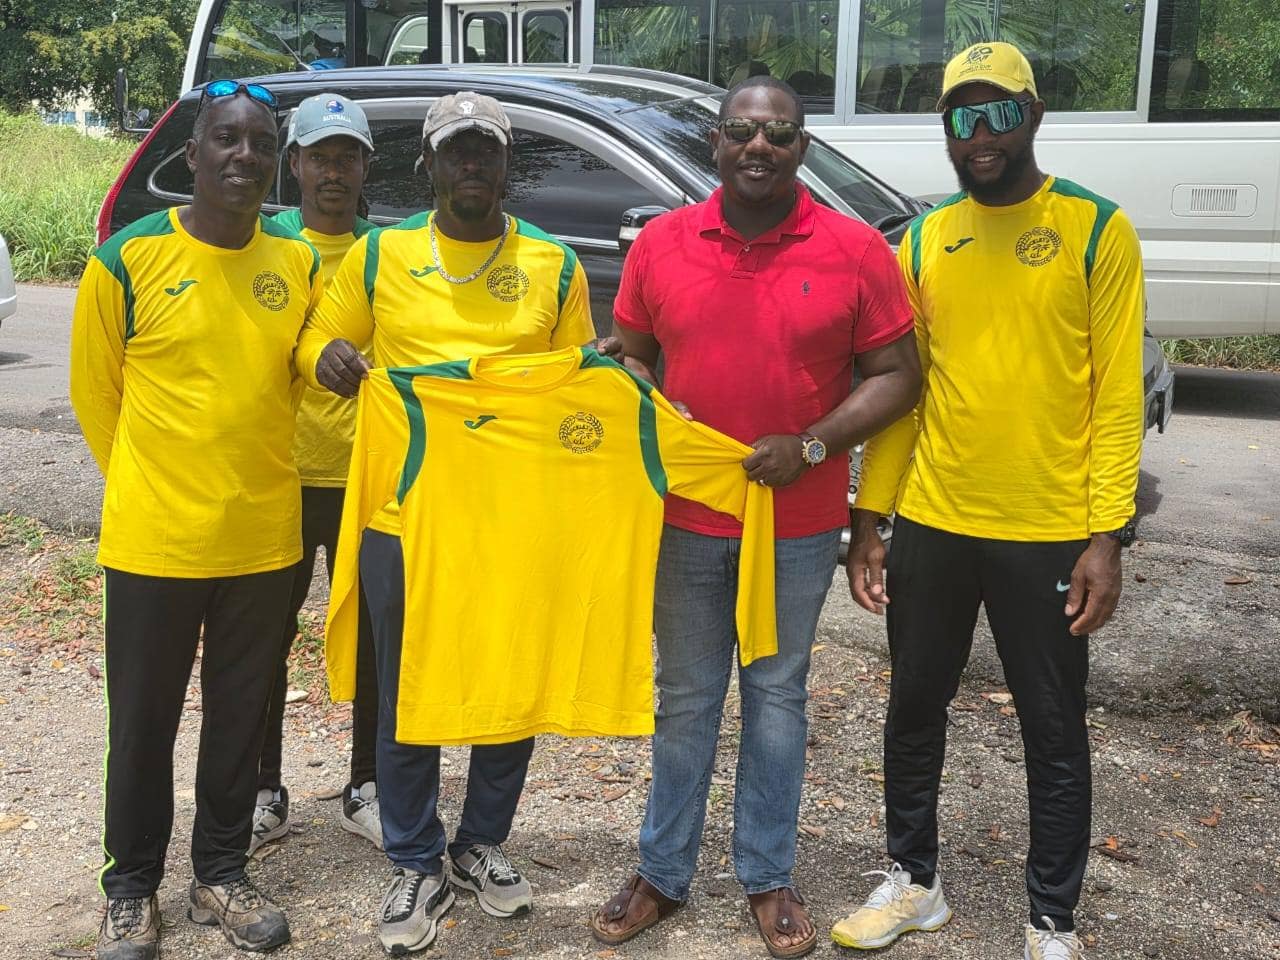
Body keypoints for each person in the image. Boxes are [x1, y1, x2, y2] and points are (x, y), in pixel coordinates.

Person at [591, 75, 922, 960]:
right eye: (741, 131)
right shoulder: (662, 243)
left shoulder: (855, 249)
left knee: (777, 698)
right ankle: (662, 872)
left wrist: (811, 446)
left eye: (778, 133)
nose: (758, 146)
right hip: (686, 516)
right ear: (716, 143)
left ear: (802, 147)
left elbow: (900, 376)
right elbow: (633, 359)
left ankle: (767, 874)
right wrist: (635, 385)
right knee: (686, 697)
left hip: (796, 523)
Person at [831, 42, 1145, 960]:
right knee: (913, 709)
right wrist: (870, 519)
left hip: (1048, 531)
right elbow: (903, 391)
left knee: (1052, 727)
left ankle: (1052, 920)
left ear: (1033, 115)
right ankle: (913, 882)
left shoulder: (1096, 228)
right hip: (934, 520)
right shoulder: (927, 238)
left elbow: (1117, 399)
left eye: (999, 112)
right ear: (946, 129)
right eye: (963, 117)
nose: (982, 135)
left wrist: (1107, 535)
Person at [293, 91, 609, 955]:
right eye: (455, 148)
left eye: (487, 149)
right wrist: (326, 357)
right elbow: (313, 340)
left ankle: (481, 842)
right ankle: (415, 858)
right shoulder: (381, 255)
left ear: (508, 165)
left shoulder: (553, 266)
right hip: (407, 516)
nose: (472, 161)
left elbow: (581, 382)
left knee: (511, 681)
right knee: (408, 691)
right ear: (427, 164)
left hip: (513, 518)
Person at [71, 81, 323, 959]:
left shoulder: (295, 263)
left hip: (263, 538)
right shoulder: (128, 260)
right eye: (226, 139)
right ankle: (130, 889)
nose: (243, 156)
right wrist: (151, 487)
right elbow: (96, 395)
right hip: (155, 541)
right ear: (192, 154)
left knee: (239, 716)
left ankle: (220, 871)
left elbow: (289, 377)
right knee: (143, 723)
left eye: (260, 143)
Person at [251, 93, 381, 855]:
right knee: (264, 638)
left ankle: (367, 785)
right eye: (320, 156)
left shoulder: (388, 254)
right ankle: (263, 789)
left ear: (367, 167)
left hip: (367, 476)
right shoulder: (267, 247)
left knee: (374, 638)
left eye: (348, 157)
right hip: (282, 474)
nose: (334, 172)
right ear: (293, 164)